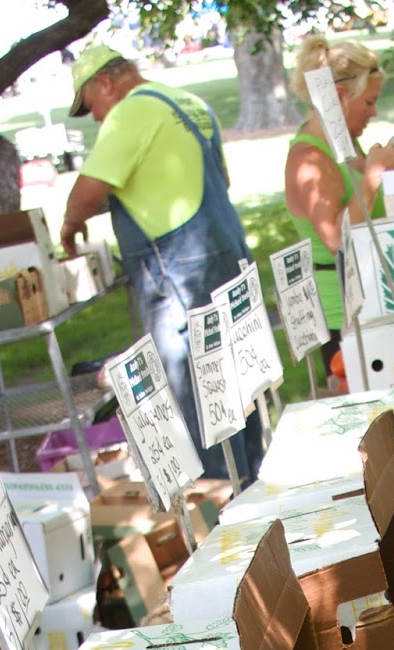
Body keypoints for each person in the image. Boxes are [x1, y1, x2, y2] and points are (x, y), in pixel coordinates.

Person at [60, 40, 264, 484]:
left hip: (179, 265)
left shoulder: (131, 112)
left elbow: (89, 191)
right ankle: (250, 475)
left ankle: (218, 495)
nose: (95, 117)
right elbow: (219, 178)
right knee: (233, 369)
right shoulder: (191, 103)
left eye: (91, 104)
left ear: (106, 83)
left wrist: (69, 226)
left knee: (191, 381)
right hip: (226, 251)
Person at [284, 34, 394, 378]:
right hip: (343, 319)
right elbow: (336, 239)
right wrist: (374, 176)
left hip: (373, 301)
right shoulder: (308, 158)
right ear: (340, 96)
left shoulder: (345, 146)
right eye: (368, 102)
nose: (374, 111)